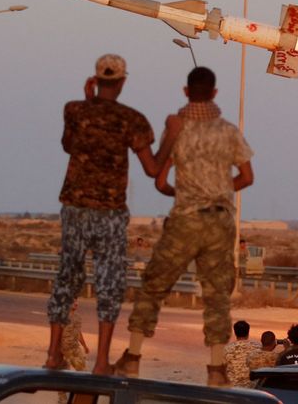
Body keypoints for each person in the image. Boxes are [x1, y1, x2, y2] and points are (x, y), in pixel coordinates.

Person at [112, 66, 254, 386]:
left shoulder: (177, 129)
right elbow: (247, 177)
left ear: (185, 91)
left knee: (155, 284)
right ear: (215, 93)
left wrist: (187, 192)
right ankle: (216, 370)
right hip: (220, 221)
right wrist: (216, 190)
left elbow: (159, 179)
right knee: (217, 294)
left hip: (186, 219)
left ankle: (133, 357)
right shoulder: (229, 132)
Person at [45, 54, 177, 375]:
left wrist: (87, 103)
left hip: (75, 207)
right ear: (121, 81)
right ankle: (102, 361)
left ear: (96, 79)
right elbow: (152, 168)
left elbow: (68, 145)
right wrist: (171, 134)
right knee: (110, 283)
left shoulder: (74, 110)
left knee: (68, 277)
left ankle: (52, 354)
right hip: (110, 212)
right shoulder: (132, 120)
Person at [58, 300, 89, 404]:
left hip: (75, 348)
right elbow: (57, 333)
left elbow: (79, 333)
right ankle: (62, 399)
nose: (76, 303)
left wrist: (84, 346)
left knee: (83, 372)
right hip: (64, 349)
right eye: (73, 301)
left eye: (77, 301)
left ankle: (80, 397)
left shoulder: (78, 317)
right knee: (63, 374)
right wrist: (57, 350)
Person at [224, 320, 261, 387]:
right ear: (248, 332)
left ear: (235, 332)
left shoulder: (226, 349)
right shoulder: (258, 348)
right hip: (252, 389)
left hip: (233, 389)